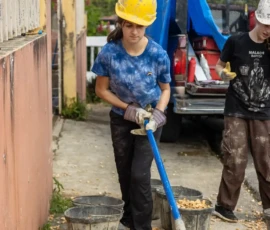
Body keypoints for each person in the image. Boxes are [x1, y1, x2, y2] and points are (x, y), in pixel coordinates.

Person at [91, 0, 171, 229]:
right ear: (121, 24)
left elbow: (165, 90)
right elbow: (101, 90)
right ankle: (128, 220)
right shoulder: (110, 53)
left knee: (139, 175)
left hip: (150, 121)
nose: (134, 31)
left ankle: (142, 225)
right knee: (125, 172)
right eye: (128, 25)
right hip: (121, 119)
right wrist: (127, 109)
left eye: (139, 26)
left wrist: (158, 114)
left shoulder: (157, 54)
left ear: (147, 26)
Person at [214, 0, 270, 223]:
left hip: (265, 111)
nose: (268, 30)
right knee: (235, 158)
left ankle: (268, 208)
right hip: (236, 108)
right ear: (256, 18)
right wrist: (222, 74)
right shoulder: (236, 42)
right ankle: (224, 206)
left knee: (267, 161)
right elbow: (219, 65)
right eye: (265, 24)